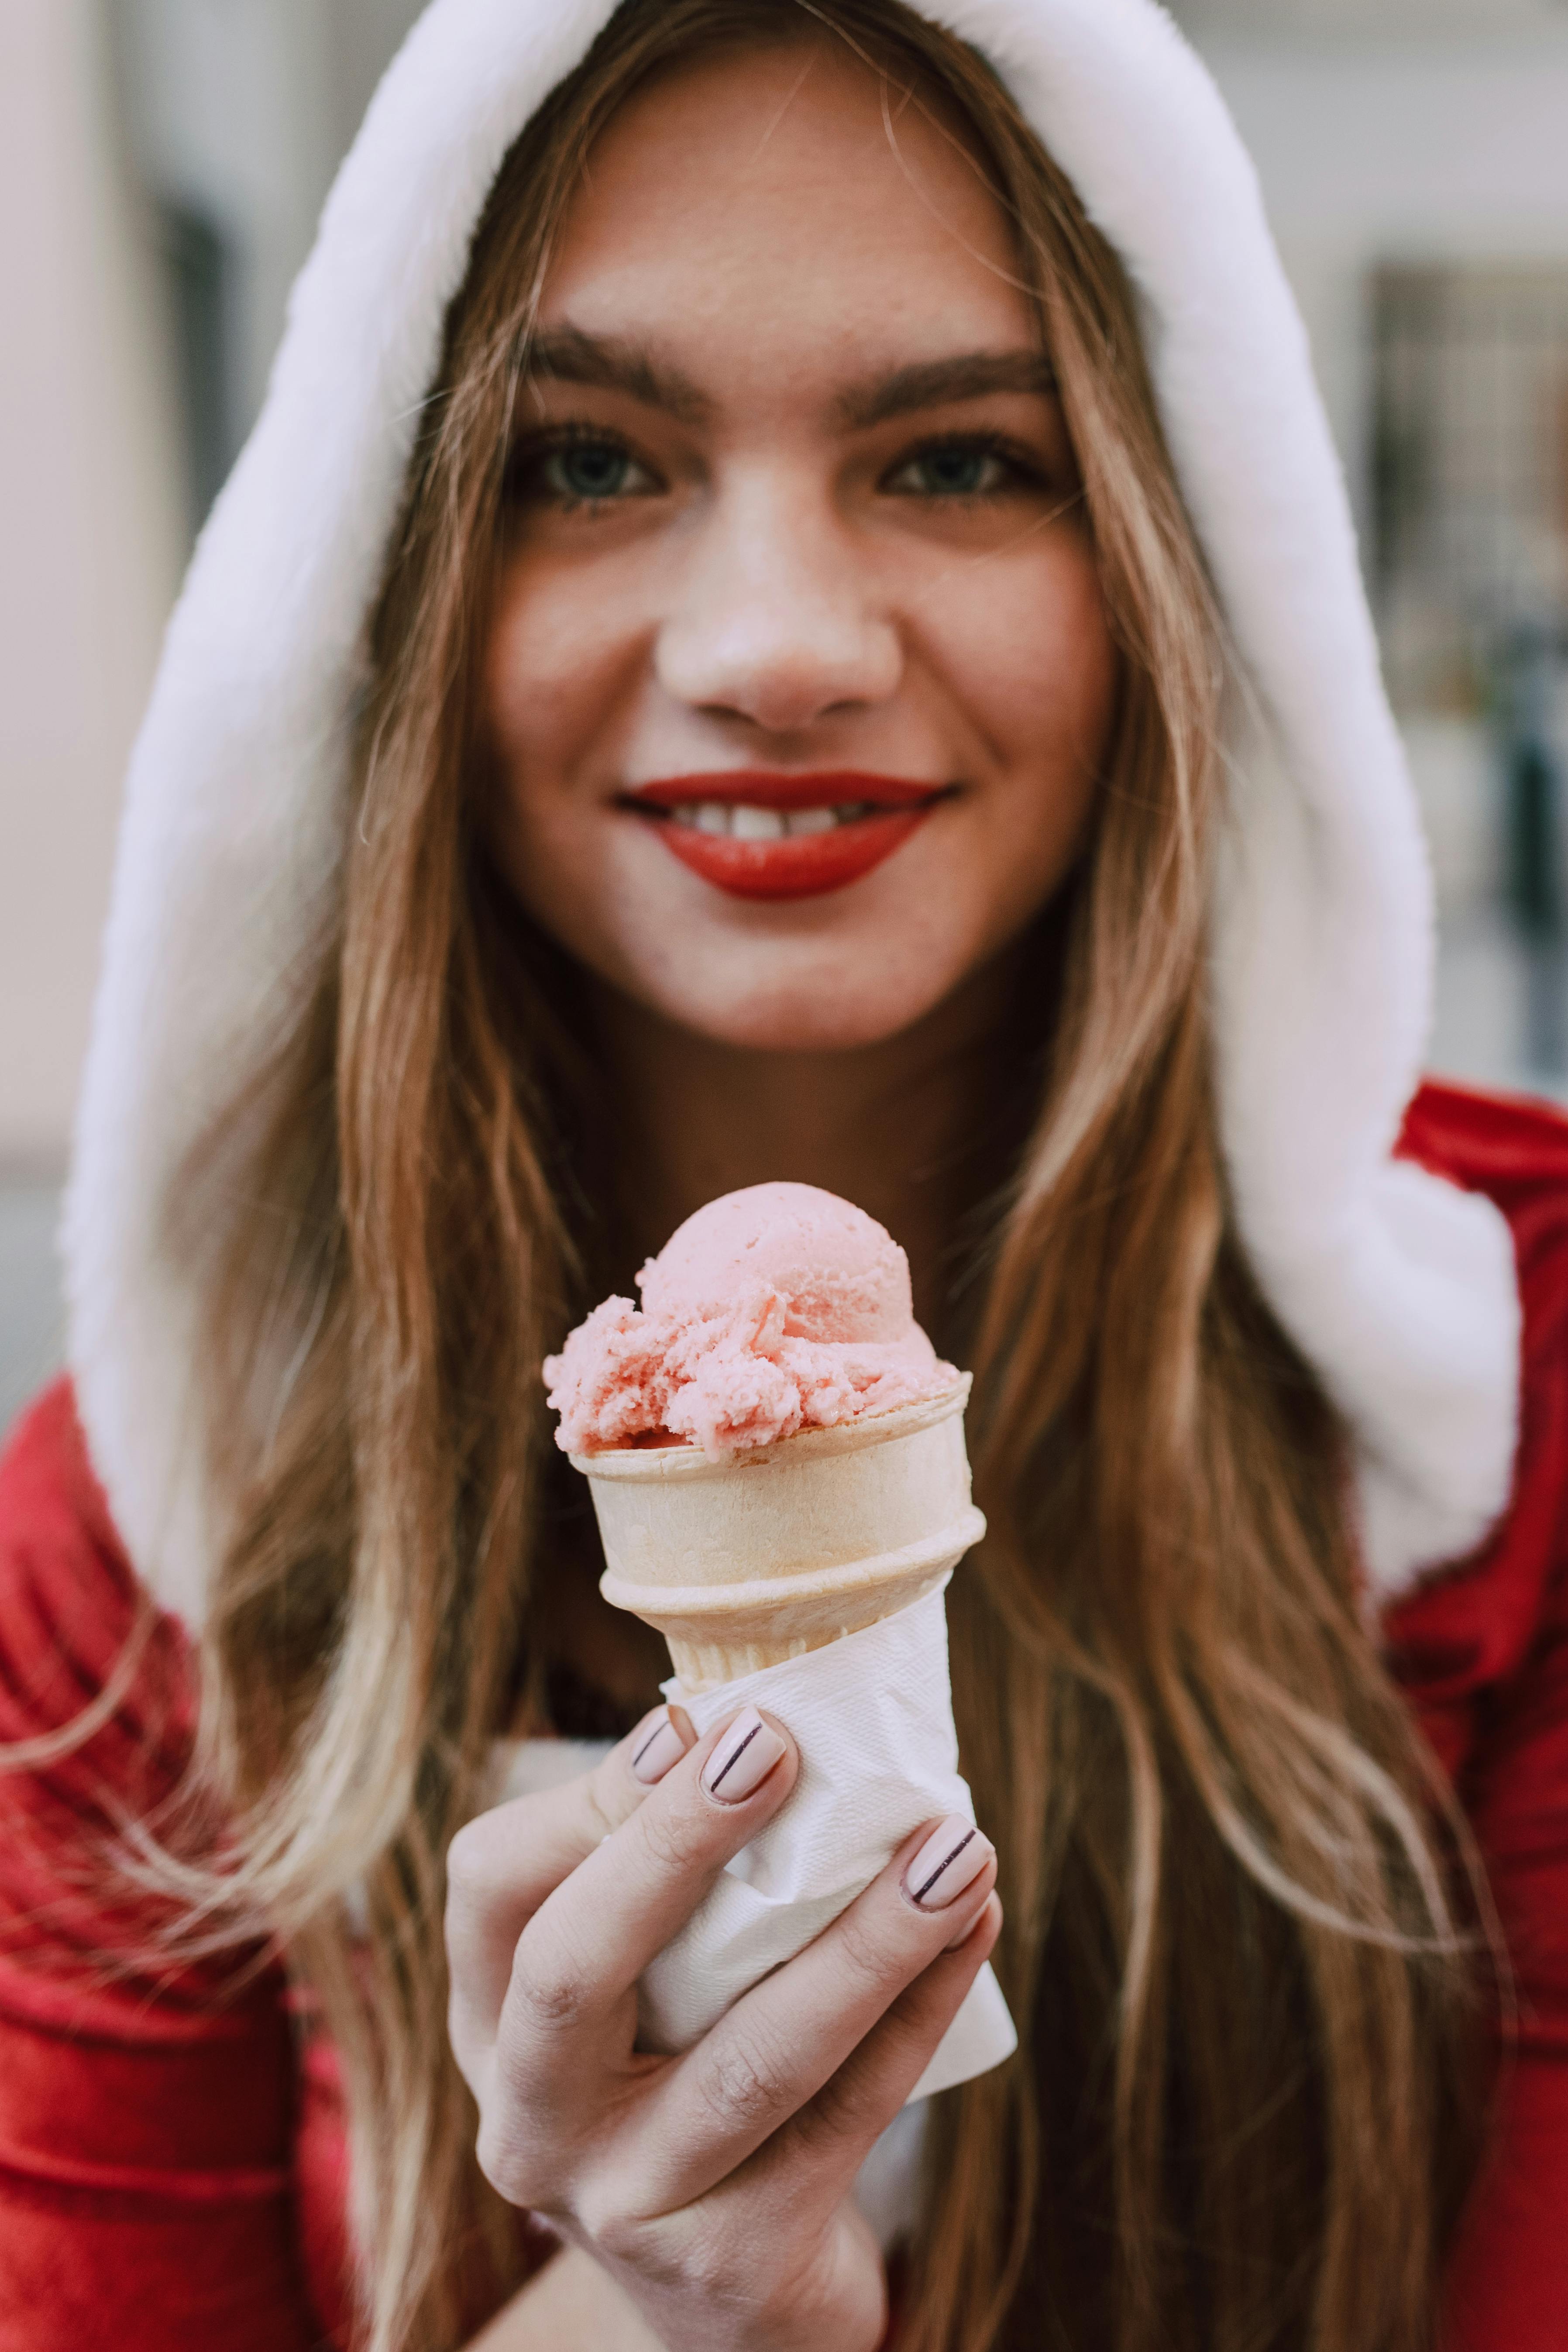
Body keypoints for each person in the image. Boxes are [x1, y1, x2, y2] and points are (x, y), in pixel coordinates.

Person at [2, 1, 1566, 2347]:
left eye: (954, 462)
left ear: (1178, 552)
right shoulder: (143, 1531)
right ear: (377, 581)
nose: (774, 653)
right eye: (581, 462)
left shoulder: (1517, 1382)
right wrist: (688, 2315)